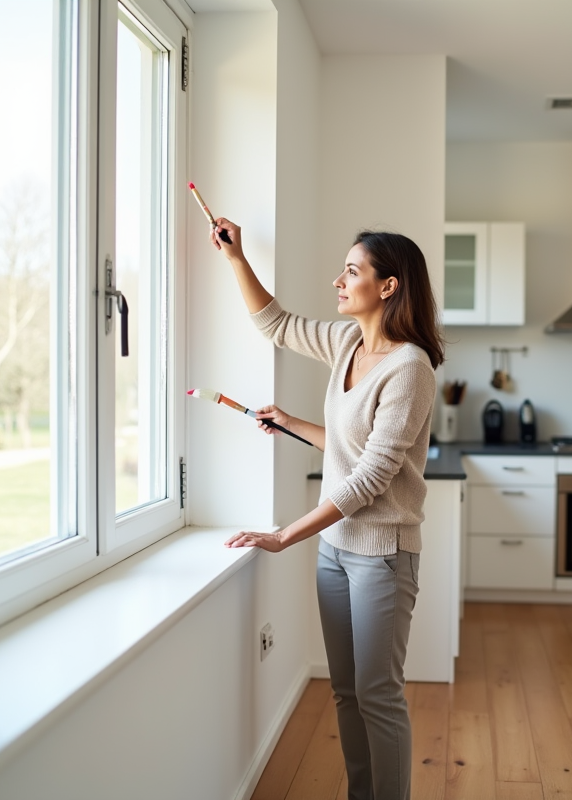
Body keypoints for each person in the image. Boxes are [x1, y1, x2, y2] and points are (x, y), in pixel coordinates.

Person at [209, 217, 444, 800]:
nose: (337, 280)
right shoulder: (347, 343)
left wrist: (284, 536)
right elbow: (277, 323)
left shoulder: (409, 368)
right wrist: (236, 257)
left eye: (351, 271)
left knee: (378, 695)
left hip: (383, 556)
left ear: (387, 287)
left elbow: (370, 478)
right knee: (345, 691)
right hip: (336, 551)